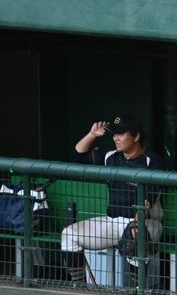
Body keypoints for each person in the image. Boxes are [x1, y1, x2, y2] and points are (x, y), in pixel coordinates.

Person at [62, 116, 164, 285]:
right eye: (114, 134)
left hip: (145, 221)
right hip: (112, 221)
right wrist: (92, 135)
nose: (116, 138)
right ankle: (79, 286)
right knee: (69, 234)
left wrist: (137, 223)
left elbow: (149, 197)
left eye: (121, 134)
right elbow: (77, 155)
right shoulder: (111, 157)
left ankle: (137, 291)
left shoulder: (152, 160)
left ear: (136, 136)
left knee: (138, 237)